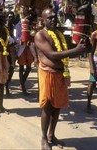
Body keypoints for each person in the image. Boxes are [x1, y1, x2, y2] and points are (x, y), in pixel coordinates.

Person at [34, 8, 87, 150]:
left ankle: (52, 135)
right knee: (47, 106)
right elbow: (52, 55)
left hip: (60, 73)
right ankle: (44, 138)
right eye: (49, 17)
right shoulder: (40, 35)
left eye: (54, 17)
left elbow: (65, 53)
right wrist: (75, 51)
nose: (53, 19)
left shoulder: (59, 34)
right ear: (43, 20)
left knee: (57, 106)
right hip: (47, 73)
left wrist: (81, 48)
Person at [15, 7, 36, 95]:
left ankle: (22, 83)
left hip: (29, 48)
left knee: (29, 67)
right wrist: (21, 39)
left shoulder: (31, 25)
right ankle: (23, 86)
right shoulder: (18, 25)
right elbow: (16, 37)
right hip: (22, 48)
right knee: (21, 67)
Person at [5, 11, 17, 95]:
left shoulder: (14, 27)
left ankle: (7, 84)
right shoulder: (2, 27)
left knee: (12, 69)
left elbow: (16, 40)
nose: (10, 18)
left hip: (12, 51)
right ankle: (4, 86)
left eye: (12, 17)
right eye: (9, 16)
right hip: (4, 51)